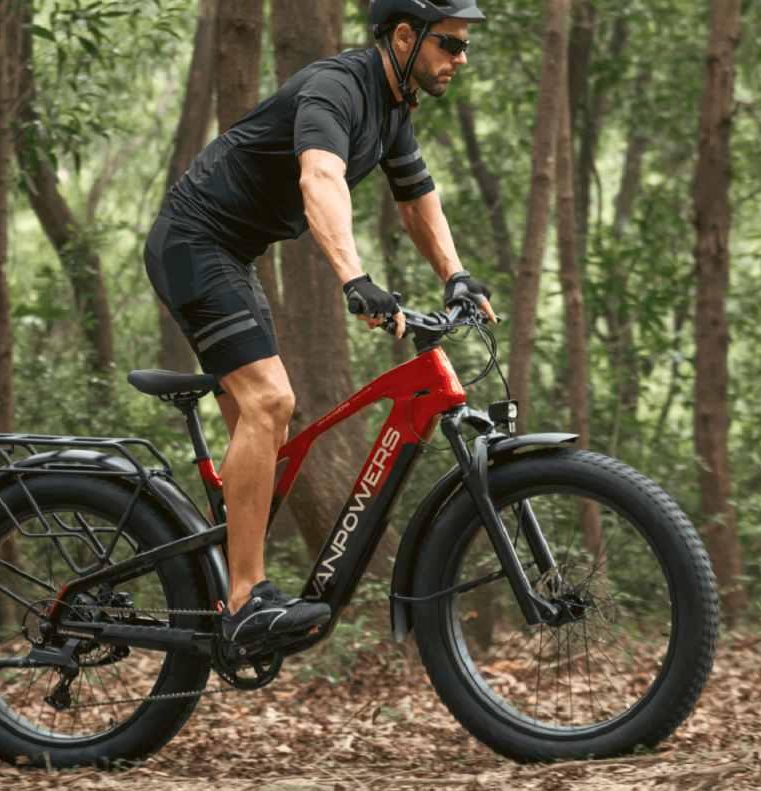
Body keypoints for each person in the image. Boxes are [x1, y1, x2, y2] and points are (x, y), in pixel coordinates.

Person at [143, 0, 498, 646]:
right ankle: (244, 599)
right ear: (403, 37)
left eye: (464, 46)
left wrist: (457, 276)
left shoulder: (393, 110)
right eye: (449, 44)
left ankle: (218, 584)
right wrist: (354, 279)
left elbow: (417, 197)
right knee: (270, 400)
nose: (460, 59)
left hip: (231, 254)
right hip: (194, 243)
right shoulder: (338, 89)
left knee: (268, 428)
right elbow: (320, 177)